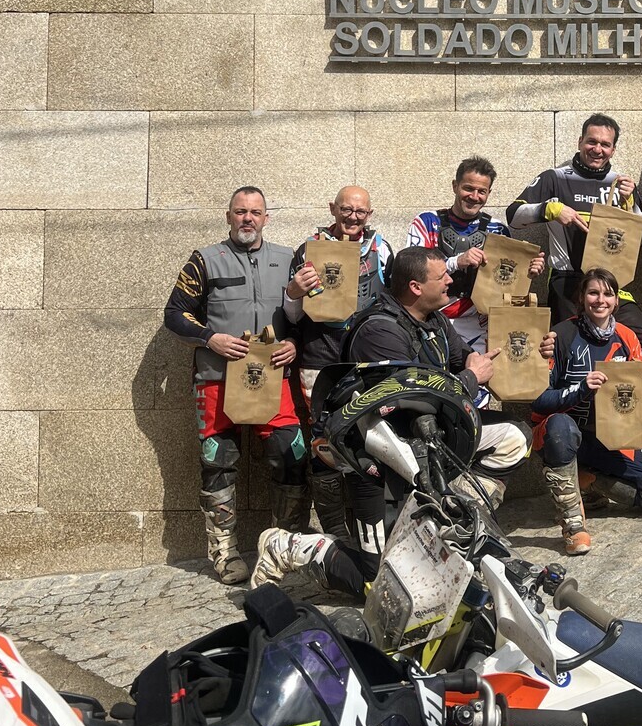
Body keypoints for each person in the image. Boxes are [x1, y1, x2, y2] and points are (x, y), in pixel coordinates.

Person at [250, 247, 531, 593]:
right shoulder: (377, 331)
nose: (450, 280)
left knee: (514, 436)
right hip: (378, 460)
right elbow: (412, 399)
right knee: (379, 585)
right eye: (442, 276)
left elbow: (464, 358)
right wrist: (471, 379)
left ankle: (450, 518)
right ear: (415, 287)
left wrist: (522, 355)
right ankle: (290, 547)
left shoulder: (435, 320)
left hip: (429, 445)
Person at [507, 115, 642, 491]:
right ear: (581, 141)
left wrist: (631, 204)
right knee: (569, 373)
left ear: (614, 148)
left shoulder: (620, 184)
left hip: (615, 289)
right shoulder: (555, 177)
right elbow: (513, 215)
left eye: (605, 144)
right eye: (591, 141)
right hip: (569, 287)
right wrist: (550, 209)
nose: (597, 149)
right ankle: (579, 468)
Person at [162, 186, 301, 586]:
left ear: (266, 218)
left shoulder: (287, 259)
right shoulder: (205, 259)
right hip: (217, 378)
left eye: (255, 212)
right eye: (240, 212)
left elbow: (303, 315)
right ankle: (224, 553)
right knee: (218, 461)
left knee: (290, 453)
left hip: (274, 380)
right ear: (228, 216)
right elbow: (174, 314)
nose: (248, 219)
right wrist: (209, 338)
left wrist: (294, 343)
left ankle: (284, 548)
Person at [532, 268, 642, 556]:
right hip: (563, 434)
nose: (601, 300)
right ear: (582, 298)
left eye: (608, 294)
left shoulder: (627, 337)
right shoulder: (561, 334)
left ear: (616, 301)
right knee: (561, 426)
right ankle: (573, 524)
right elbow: (538, 401)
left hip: (610, 437)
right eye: (593, 293)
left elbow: (631, 401)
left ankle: (591, 481)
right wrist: (581, 388)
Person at [283, 186, 393, 537]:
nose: (353, 217)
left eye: (361, 212)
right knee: (323, 442)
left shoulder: (382, 249)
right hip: (321, 356)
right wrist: (293, 292)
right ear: (333, 208)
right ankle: (334, 530)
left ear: (370, 214)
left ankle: (372, 524)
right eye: (346, 209)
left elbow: (393, 302)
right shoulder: (307, 250)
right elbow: (290, 315)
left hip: (368, 357)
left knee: (374, 436)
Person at [407, 155, 545, 366]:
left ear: (489, 193)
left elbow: (507, 288)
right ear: (455, 186)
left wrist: (527, 273)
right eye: (468, 188)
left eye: (482, 191)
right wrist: (456, 261)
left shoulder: (498, 230)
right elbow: (410, 271)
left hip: (479, 325)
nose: (474, 196)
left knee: (476, 389)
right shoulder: (426, 221)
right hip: (431, 319)